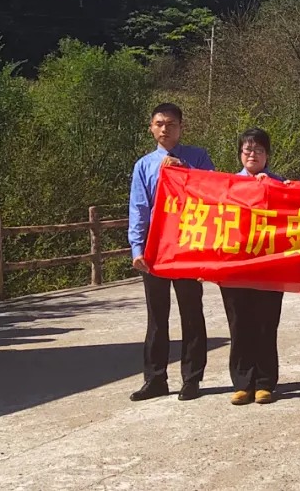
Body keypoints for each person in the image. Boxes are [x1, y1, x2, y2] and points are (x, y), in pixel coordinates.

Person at [127, 103, 214, 402]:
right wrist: (137, 248)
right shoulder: (144, 165)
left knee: (191, 313)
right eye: (160, 123)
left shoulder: (198, 157)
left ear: (181, 127)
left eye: (172, 123)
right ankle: (155, 379)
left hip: (188, 245)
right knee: (157, 317)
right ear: (151, 128)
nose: (165, 129)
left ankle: (192, 378)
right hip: (156, 249)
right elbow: (139, 208)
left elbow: (213, 191)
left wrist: (185, 171)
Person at [221, 128, 285, 406]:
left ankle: (265, 382)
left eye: (258, 150)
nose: (252, 155)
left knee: (265, 324)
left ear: (267, 155)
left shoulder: (280, 184)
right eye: (247, 150)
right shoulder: (228, 186)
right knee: (239, 324)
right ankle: (242, 383)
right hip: (235, 268)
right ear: (240, 154)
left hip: (270, 267)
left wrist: (270, 188)